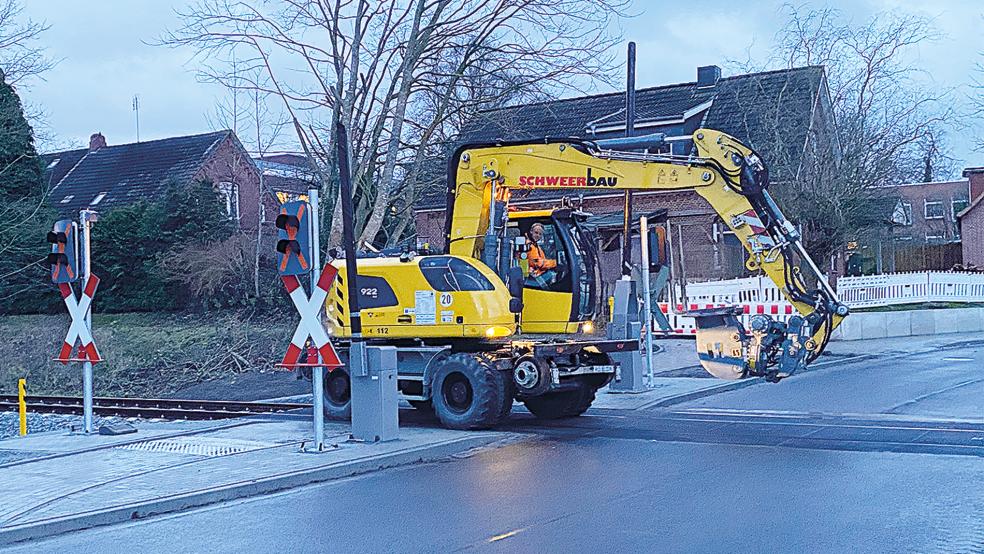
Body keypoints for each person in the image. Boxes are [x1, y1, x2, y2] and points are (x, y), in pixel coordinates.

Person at [524, 222, 563, 288]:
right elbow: (539, 263)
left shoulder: (535, 245)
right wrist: (556, 262)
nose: (538, 236)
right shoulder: (529, 246)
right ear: (531, 231)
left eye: (540, 234)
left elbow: (543, 260)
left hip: (537, 275)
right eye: (536, 233)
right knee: (553, 277)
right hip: (533, 278)